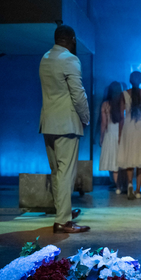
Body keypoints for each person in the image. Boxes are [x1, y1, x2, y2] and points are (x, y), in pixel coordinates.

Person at [39, 25, 90, 234]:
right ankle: (63, 221)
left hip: (48, 123)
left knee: (57, 172)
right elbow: (78, 94)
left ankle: (63, 212)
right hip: (67, 124)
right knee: (66, 173)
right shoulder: (70, 59)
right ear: (73, 39)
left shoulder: (45, 57)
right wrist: (85, 118)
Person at [117, 71, 141, 199]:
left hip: (129, 126)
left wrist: (120, 134)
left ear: (130, 80)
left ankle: (130, 184)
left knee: (130, 156)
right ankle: (138, 190)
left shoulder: (124, 94)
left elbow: (122, 116)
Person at [99, 81, 123, 193]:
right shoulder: (123, 104)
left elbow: (104, 123)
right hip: (121, 132)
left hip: (110, 133)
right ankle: (123, 185)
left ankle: (117, 186)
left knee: (112, 161)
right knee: (121, 161)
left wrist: (101, 137)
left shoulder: (105, 104)